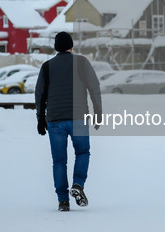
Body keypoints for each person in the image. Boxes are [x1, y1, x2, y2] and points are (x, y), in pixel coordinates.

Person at [35, 31, 102, 212]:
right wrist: (98, 112)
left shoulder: (47, 67)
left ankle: (63, 201)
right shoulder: (81, 63)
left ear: (56, 48)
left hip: (55, 120)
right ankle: (78, 185)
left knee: (59, 161)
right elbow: (94, 88)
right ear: (71, 46)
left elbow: (40, 94)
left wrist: (40, 119)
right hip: (78, 118)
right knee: (82, 152)